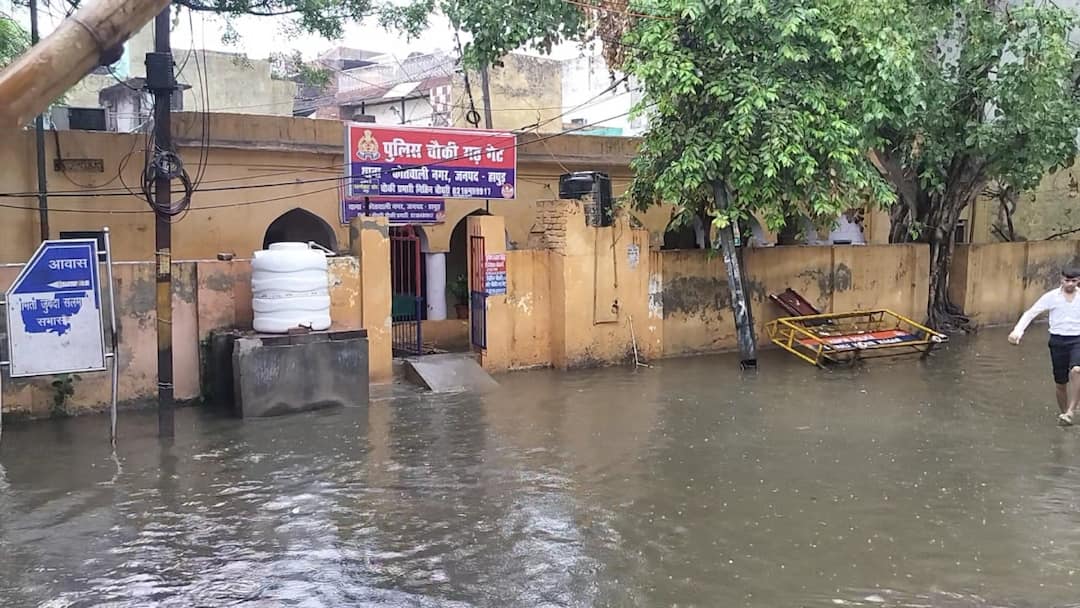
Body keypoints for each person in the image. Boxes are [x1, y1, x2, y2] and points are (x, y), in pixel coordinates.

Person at [1009, 267, 1080, 425]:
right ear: (1061, 279)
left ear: (1078, 281)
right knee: (1061, 383)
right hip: (1057, 340)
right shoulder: (1052, 297)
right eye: (1066, 280)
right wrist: (1017, 331)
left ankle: (1071, 410)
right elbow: (1031, 312)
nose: (1069, 284)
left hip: (1077, 339)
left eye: (1073, 281)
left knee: (1077, 370)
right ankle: (1065, 415)